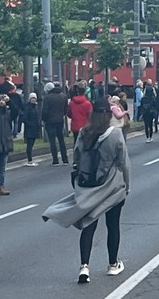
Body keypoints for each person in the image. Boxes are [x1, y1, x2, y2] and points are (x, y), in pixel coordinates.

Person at [43, 98, 130, 284]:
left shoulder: (84, 132)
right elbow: (124, 162)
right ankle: (113, 264)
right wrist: (127, 185)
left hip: (88, 185)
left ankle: (84, 266)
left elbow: (76, 156)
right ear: (108, 115)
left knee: (88, 225)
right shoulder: (115, 134)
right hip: (112, 185)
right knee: (113, 225)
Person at [42, 82, 69, 166]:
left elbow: (45, 111)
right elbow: (65, 109)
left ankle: (55, 160)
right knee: (61, 140)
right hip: (60, 120)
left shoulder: (47, 98)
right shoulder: (63, 96)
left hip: (50, 121)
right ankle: (65, 159)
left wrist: (44, 119)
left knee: (52, 141)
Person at [22, 92, 42, 166]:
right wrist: (30, 124)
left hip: (34, 129)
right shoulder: (28, 108)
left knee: (32, 144)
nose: (33, 100)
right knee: (29, 145)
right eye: (32, 98)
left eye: (34, 98)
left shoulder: (36, 107)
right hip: (30, 129)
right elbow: (24, 118)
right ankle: (29, 159)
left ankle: (30, 159)